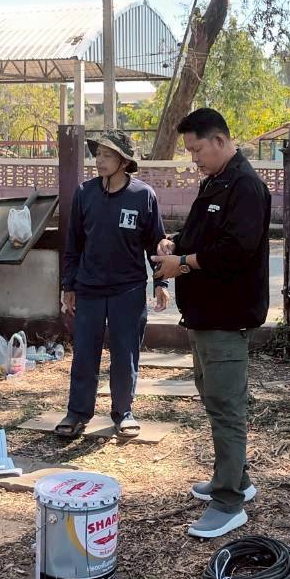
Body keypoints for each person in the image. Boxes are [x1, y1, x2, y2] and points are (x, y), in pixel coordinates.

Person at [152, 108, 271, 539]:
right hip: (204, 316)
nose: (193, 158)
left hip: (227, 316)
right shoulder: (216, 182)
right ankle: (237, 478)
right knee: (215, 398)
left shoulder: (246, 187)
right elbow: (203, 238)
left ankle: (228, 503)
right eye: (190, 151)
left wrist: (180, 263)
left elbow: (233, 252)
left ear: (219, 140)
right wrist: (176, 244)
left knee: (226, 407)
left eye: (197, 149)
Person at [58, 131, 170, 439]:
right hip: (89, 288)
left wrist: (160, 283)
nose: (100, 160)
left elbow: (156, 244)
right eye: (98, 155)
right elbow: (73, 244)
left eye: (107, 155)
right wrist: (69, 285)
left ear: (124, 161)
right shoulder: (84, 193)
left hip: (128, 289)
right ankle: (77, 412)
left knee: (125, 354)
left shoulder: (143, 195)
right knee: (84, 353)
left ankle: (124, 412)